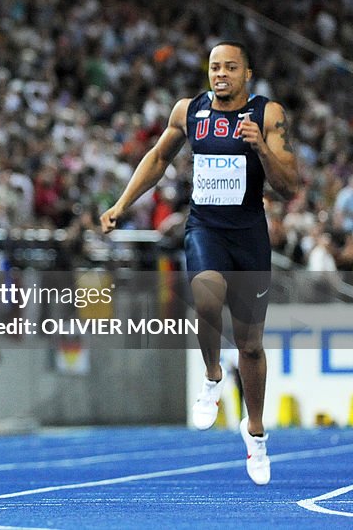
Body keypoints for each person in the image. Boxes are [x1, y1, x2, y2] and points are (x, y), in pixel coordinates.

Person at [100, 41, 299, 485]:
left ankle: (256, 433)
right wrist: (121, 204)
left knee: (250, 346)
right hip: (204, 228)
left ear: (247, 74)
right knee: (206, 294)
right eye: (214, 67)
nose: (221, 74)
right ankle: (211, 377)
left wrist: (262, 150)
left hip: (248, 236)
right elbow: (156, 159)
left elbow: (289, 185)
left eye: (230, 67)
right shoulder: (189, 111)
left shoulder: (268, 115)